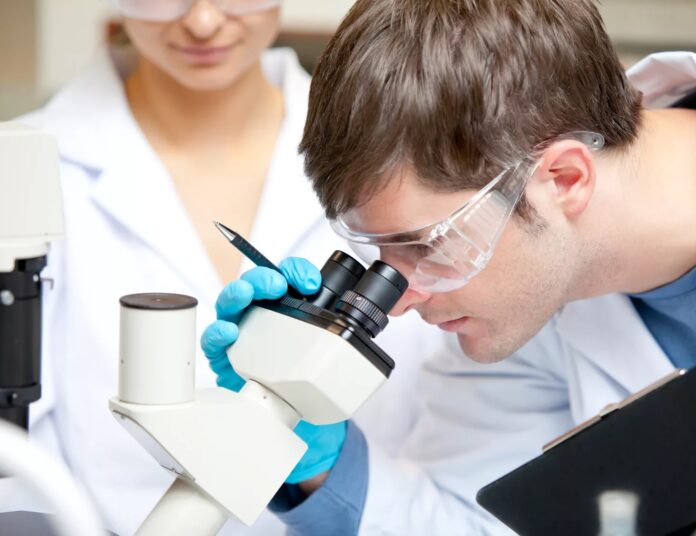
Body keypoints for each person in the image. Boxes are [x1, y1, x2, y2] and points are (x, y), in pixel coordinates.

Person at [202, 0, 696, 533]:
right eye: (379, 256)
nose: (398, 301)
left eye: (427, 245)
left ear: (564, 179)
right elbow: (470, 518)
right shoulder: (528, 298)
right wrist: (318, 459)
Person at [15, 1, 441, 534]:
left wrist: (324, 468)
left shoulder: (407, 152)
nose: (202, 21)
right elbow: (15, 460)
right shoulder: (23, 167)